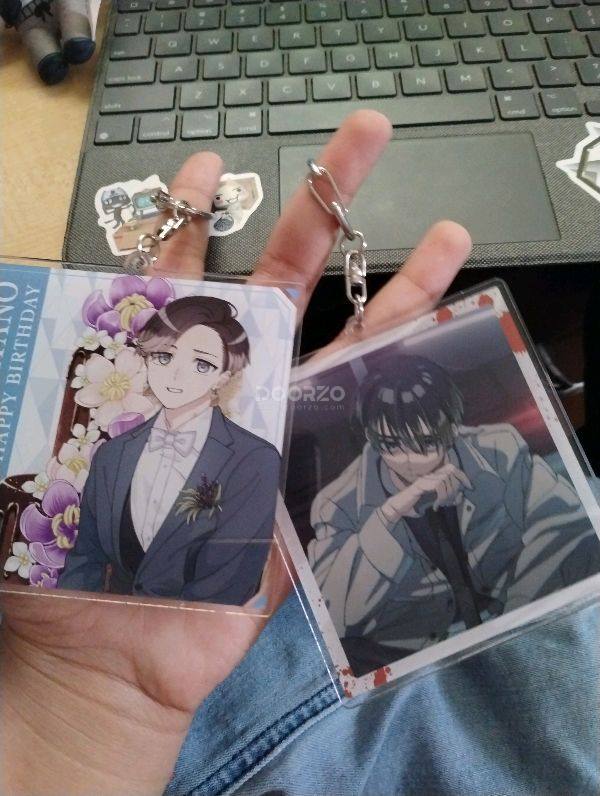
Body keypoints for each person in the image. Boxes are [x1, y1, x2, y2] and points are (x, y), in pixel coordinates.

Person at [1, 112, 598, 796]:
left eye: (430, 437)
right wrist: (390, 518)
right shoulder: (329, 500)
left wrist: (521, 566)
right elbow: (345, 603)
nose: (416, 455)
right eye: (399, 442)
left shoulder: (490, 450)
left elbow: (563, 536)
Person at [309, 357, 600, 675]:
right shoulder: (339, 503)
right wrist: (388, 516)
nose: (410, 460)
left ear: (451, 428)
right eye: (391, 445)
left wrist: (521, 612)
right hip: (420, 661)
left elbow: (563, 523)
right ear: (370, 436)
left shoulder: (497, 449)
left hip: (520, 617)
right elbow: (335, 618)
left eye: (427, 443)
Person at [58, 296, 280, 604]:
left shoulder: (254, 460)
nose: (176, 376)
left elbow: (228, 584)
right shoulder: (112, 455)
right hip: (102, 625)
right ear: (147, 358)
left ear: (223, 377)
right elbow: (85, 562)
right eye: (164, 357)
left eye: (201, 365)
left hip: (195, 629)